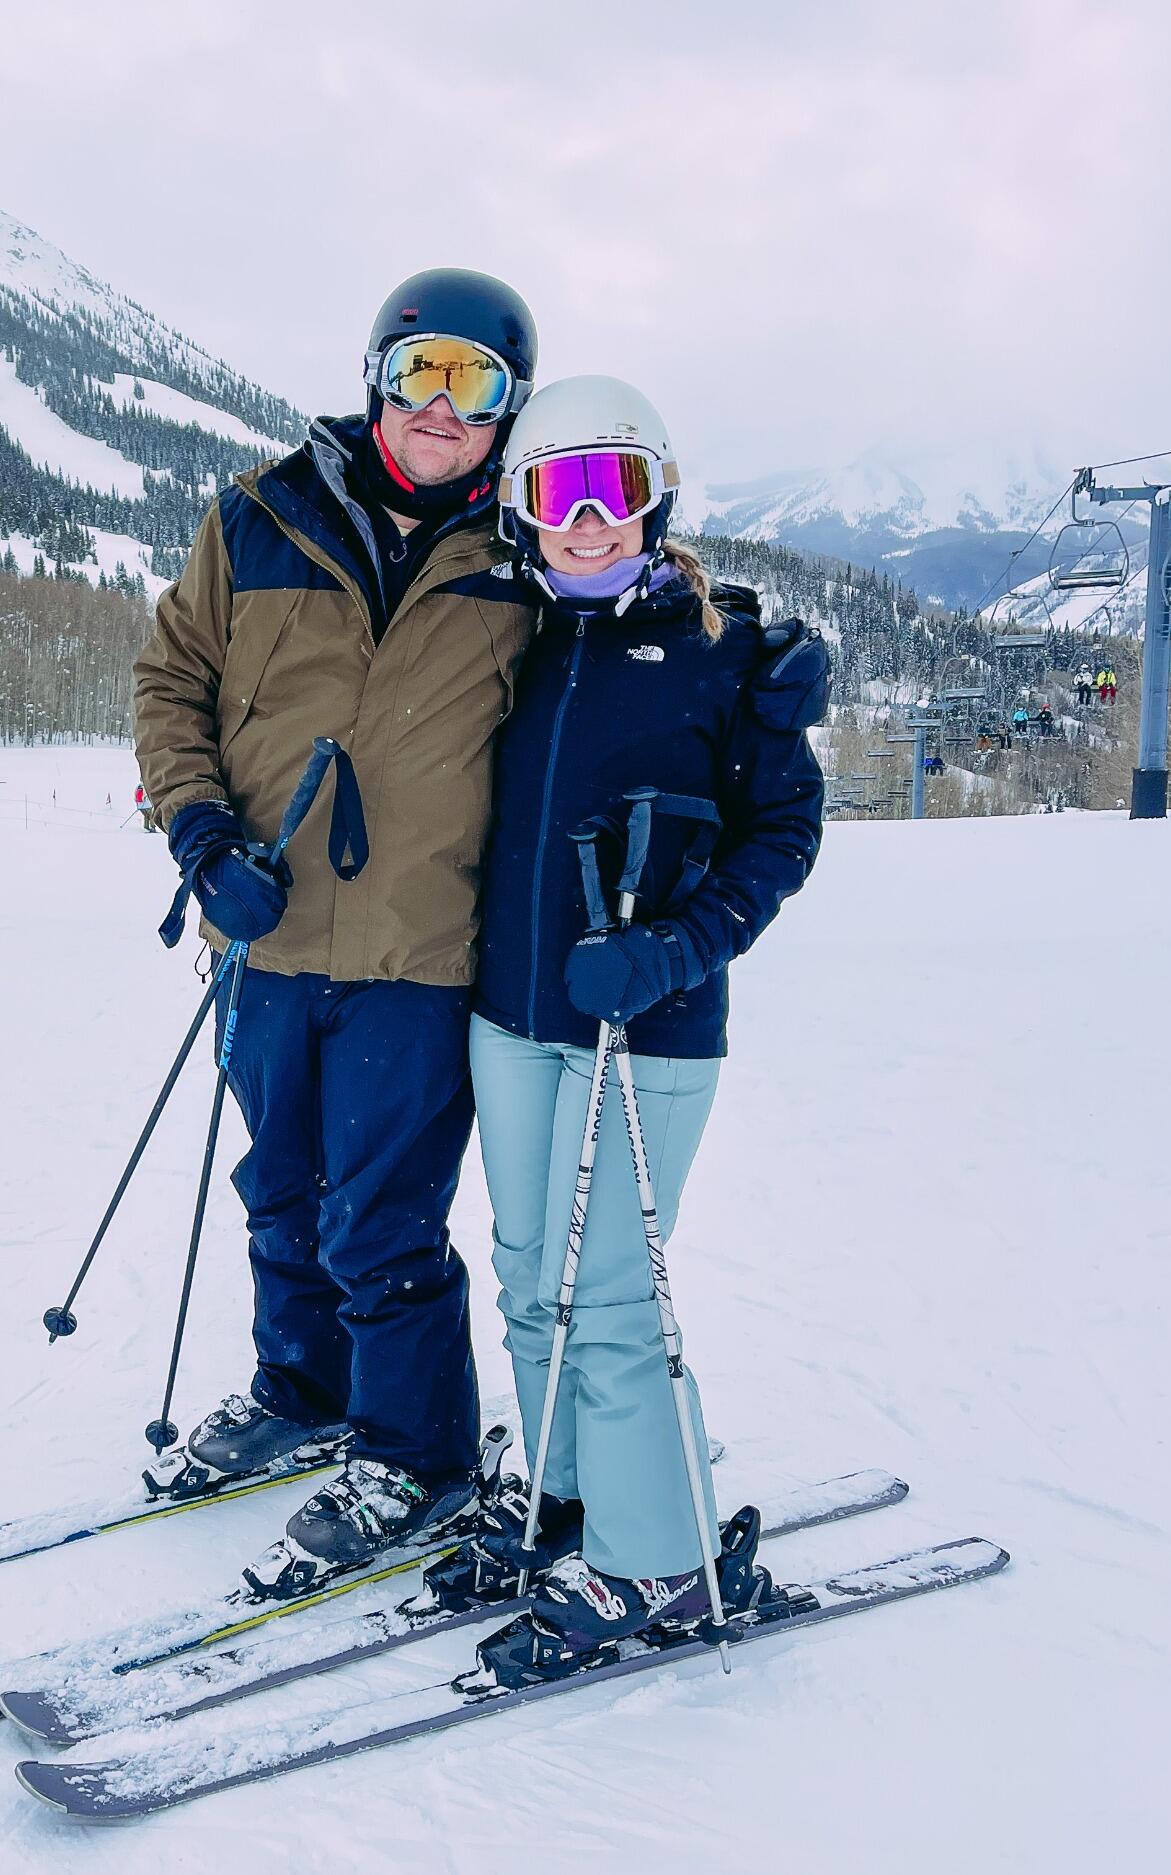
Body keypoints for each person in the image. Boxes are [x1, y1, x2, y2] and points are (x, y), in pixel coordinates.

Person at [131, 271, 541, 1589]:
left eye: (475, 384)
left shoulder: (523, 556)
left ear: (506, 410)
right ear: (377, 375)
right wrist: (202, 839)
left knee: (382, 1217)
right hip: (262, 933)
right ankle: (302, 1387)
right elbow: (170, 679)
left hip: (420, 952)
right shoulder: (257, 517)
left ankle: (416, 1451)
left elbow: (618, 669)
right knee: (281, 1188)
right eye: (422, 369)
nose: (441, 405)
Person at [419, 376, 826, 1671]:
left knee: (606, 1301)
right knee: (531, 1279)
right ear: (523, 513)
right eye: (557, 493)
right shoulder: (513, 646)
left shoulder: (729, 656)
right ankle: (566, 1493)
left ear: (654, 502)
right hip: (516, 1015)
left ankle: (665, 1566)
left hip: (645, 1031)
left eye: (614, 491)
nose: (587, 522)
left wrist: (671, 948)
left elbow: (784, 833)